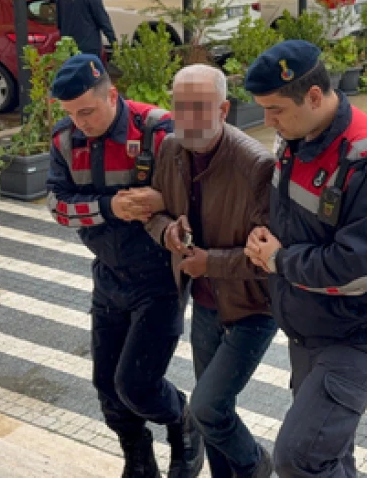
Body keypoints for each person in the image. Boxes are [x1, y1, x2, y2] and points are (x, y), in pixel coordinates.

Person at [241, 40, 367, 478]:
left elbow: (359, 269)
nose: (268, 121)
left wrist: (279, 260)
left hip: (362, 329)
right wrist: (265, 237)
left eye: (276, 109)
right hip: (310, 324)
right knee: (331, 454)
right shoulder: (297, 138)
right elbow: (292, 218)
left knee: (300, 456)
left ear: (315, 96)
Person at [44, 54, 204, 478]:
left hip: (159, 280)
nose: (81, 122)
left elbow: (197, 195)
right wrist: (110, 206)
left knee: (138, 385)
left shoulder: (157, 130)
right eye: (71, 114)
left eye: (88, 111)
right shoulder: (64, 141)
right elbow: (58, 207)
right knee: (107, 389)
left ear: (111, 95)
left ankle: (185, 426)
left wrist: (163, 200)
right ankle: (138, 460)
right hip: (108, 276)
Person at [136, 65, 278, 478]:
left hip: (252, 308)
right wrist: (168, 234)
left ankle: (255, 465)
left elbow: (268, 260)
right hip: (204, 304)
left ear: (223, 109)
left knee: (206, 407)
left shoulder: (256, 166)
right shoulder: (170, 150)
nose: (189, 119)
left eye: (200, 108)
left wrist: (208, 263)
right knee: (216, 414)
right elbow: (154, 214)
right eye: (181, 107)